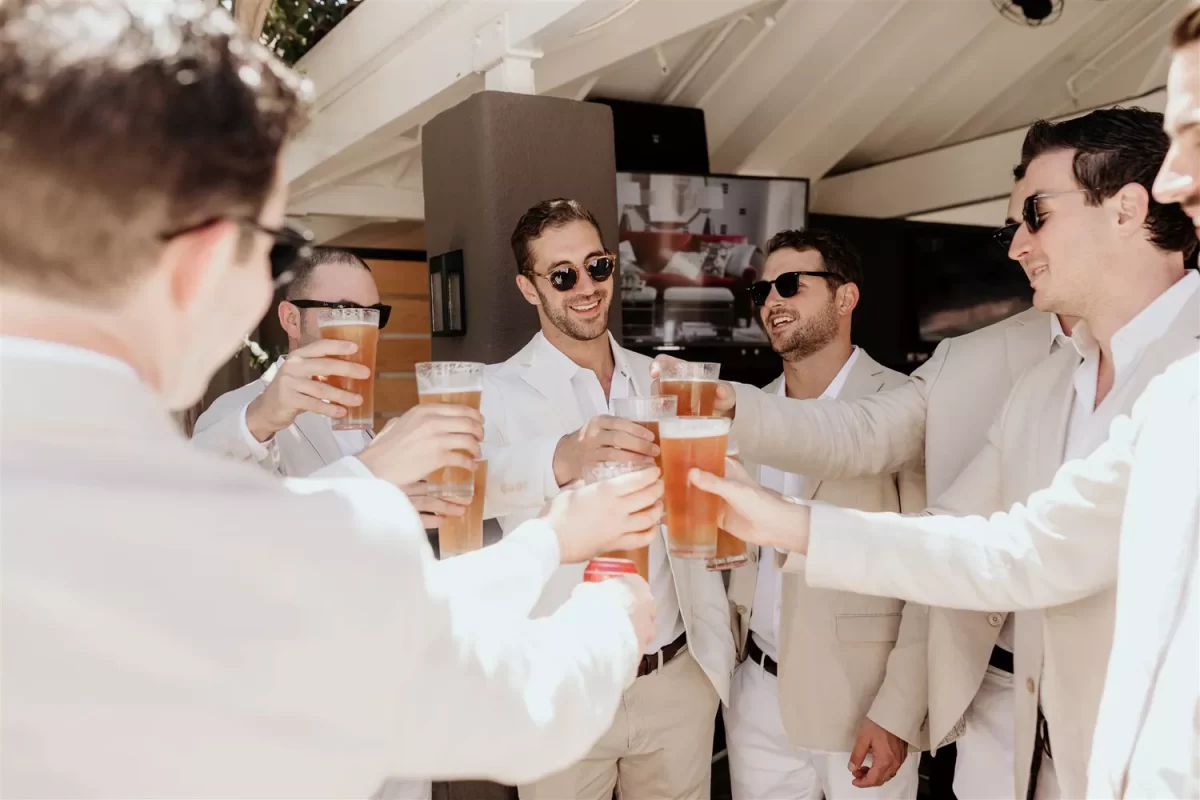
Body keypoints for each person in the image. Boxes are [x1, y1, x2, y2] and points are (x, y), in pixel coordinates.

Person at [0, 2, 664, 796]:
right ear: (207, 259)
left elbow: (351, 589)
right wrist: (609, 615)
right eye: (273, 246)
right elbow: (513, 700)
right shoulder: (243, 527)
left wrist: (545, 540)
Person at [693, 107, 1199, 799]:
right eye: (1013, 226)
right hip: (1016, 728)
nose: (1017, 247)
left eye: (1037, 216)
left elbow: (1029, 552)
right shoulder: (1046, 383)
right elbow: (952, 531)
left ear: (1128, 208)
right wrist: (740, 444)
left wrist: (785, 523)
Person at [480, 199, 735, 800]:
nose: (586, 287)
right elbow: (463, 485)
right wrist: (562, 456)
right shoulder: (494, 392)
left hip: (674, 677)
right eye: (562, 275)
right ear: (528, 287)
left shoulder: (664, 381)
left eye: (597, 266)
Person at [723, 229, 928, 799]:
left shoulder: (903, 402)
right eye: (762, 290)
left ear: (845, 298)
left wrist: (899, 711)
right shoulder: (749, 410)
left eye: (791, 284)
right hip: (757, 693)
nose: (772, 301)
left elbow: (931, 575)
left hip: (861, 703)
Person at [191, 247, 457, 532]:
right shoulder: (239, 412)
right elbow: (217, 512)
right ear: (291, 319)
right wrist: (258, 420)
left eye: (374, 313)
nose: (364, 325)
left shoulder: (358, 420)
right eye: (345, 311)